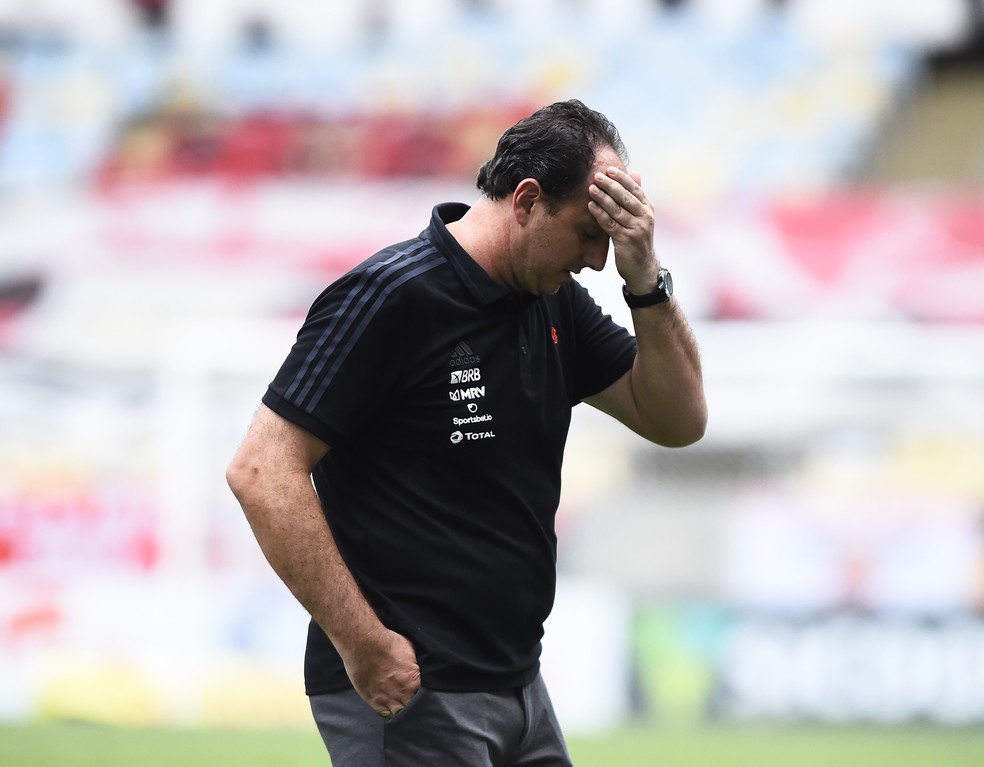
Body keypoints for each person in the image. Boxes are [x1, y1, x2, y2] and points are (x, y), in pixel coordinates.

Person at [226, 99, 707, 766]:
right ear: (526, 201)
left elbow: (678, 421)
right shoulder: (392, 297)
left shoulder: (555, 299)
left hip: (519, 686)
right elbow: (261, 471)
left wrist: (646, 280)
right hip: (415, 690)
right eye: (587, 234)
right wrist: (364, 642)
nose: (598, 260)